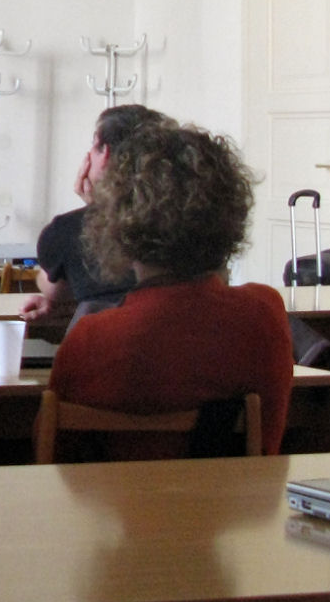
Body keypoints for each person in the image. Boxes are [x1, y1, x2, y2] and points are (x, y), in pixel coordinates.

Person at [48, 119, 292, 457]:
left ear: (118, 226)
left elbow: (57, 456)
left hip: (116, 493)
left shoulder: (89, 340)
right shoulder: (263, 313)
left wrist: (99, 210)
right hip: (237, 492)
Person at [20, 103, 166, 327]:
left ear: (104, 153)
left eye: (93, 146)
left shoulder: (68, 231)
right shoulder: (186, 224)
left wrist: (98, 209)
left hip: (108, 343)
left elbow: (55, 290)